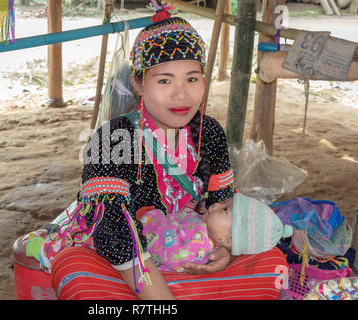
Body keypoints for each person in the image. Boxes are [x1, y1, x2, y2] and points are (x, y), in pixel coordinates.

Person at [49, 1, 288, 300]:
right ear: (139, 83)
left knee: (273, 262)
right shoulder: (114, 138)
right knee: (73, 269)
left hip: (194, 249)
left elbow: (223, 201)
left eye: (192, 78)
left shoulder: (209, 132)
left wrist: (223, 249)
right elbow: (113, 229)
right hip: (131, 266)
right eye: (165, 80)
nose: (181, 94)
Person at [140, 193, 293, 273]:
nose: (216, 205)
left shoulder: (198, 243)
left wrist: (151, 219)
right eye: (224, 203)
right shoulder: (202, 226)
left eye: (224, 209)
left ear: (228, 240)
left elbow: (161, 247)